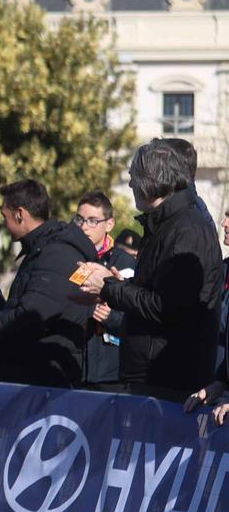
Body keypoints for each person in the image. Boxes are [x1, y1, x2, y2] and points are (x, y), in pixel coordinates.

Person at [75, 140, 224, 401]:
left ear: (150, 179)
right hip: (150, 374)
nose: (130, 185)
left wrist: (110, 288)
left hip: (166, 379)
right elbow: (156, 292)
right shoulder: (166, 223)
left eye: (133, 177)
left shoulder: (186, 228)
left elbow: (167, 306)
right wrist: (110, 284)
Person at [0, 180, 95, 389]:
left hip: (43, 383)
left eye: (4, 216)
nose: (3, 223)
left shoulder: (56, 254)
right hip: (29, 378)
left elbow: (30, 316)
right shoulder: (41, 250)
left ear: (20, 214)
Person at [72, 191, 135, 392]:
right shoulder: (68, 257)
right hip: (73, 365)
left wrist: (111, 317)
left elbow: (137, 311)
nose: (83, 226)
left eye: (92, 221)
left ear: (109, 225)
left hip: (109, 373)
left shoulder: (123, 262)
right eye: (80, 219)